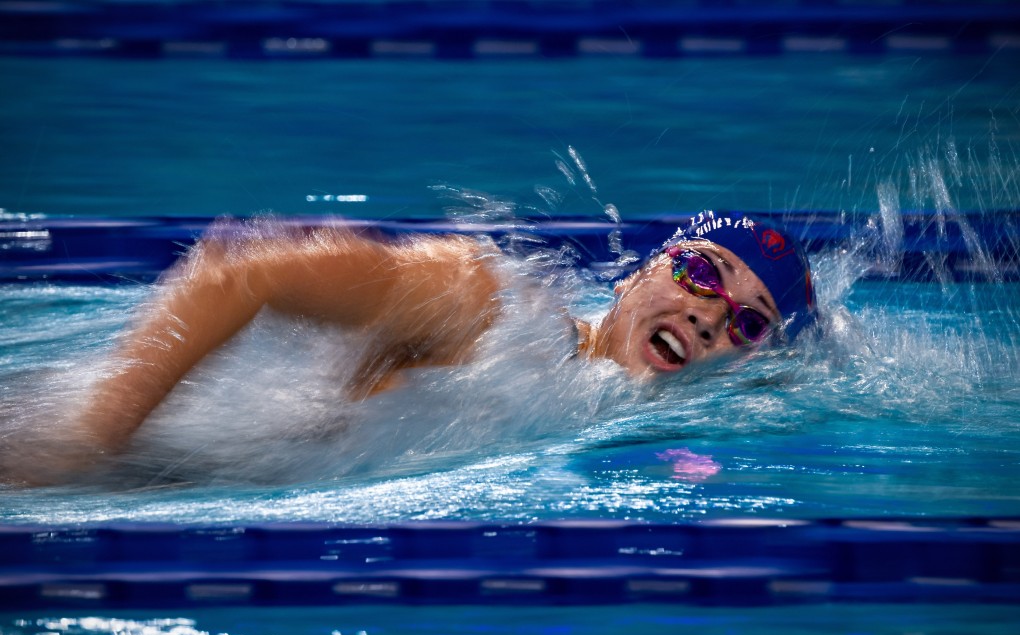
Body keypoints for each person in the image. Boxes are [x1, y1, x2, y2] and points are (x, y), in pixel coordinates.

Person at [7, 211, 816, 486]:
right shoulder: (490, 307)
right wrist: (95, 436)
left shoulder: (598, 408)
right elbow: (239, 275)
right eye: (703, 274)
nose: (713, 317)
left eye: (750, 323)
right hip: (86, 451)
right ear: (636, 275)